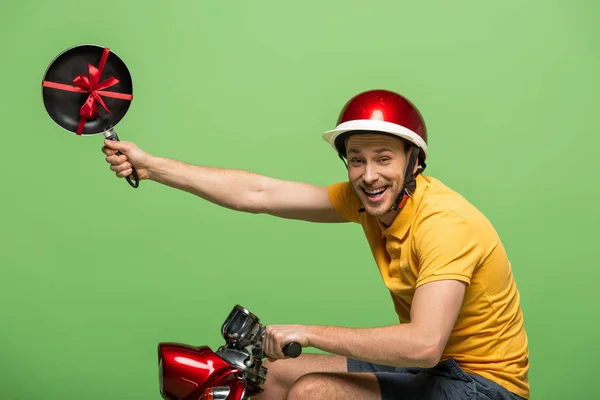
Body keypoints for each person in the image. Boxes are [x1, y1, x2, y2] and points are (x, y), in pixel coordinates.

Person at [102, 89, 530, 400]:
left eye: (384, 158)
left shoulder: (444, 224)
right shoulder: (367, 201)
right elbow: (260, 194)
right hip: (432, 371)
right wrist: (153, 166)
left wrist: (309, 333)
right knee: (270, 377)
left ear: (413, 162)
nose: (369, 175)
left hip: (485, 385)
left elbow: (423, 344)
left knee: (316, 393)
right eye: (357, 159)